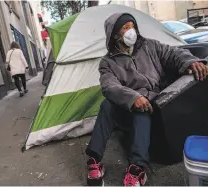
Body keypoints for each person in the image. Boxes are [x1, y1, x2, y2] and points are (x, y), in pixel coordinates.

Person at [85, 13, 208, 187]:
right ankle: (94, 160)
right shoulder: (107, 63)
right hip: (127, 106)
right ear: (114, 34)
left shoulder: (150, 46)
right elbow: (109, 86)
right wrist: (133, 98)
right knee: (107, 105)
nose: (131, 31)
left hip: (156, 103)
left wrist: (190, 62)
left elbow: (173, 53)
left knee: (141, 111)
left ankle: (137, 168)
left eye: (132, 26)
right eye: (125, 28)